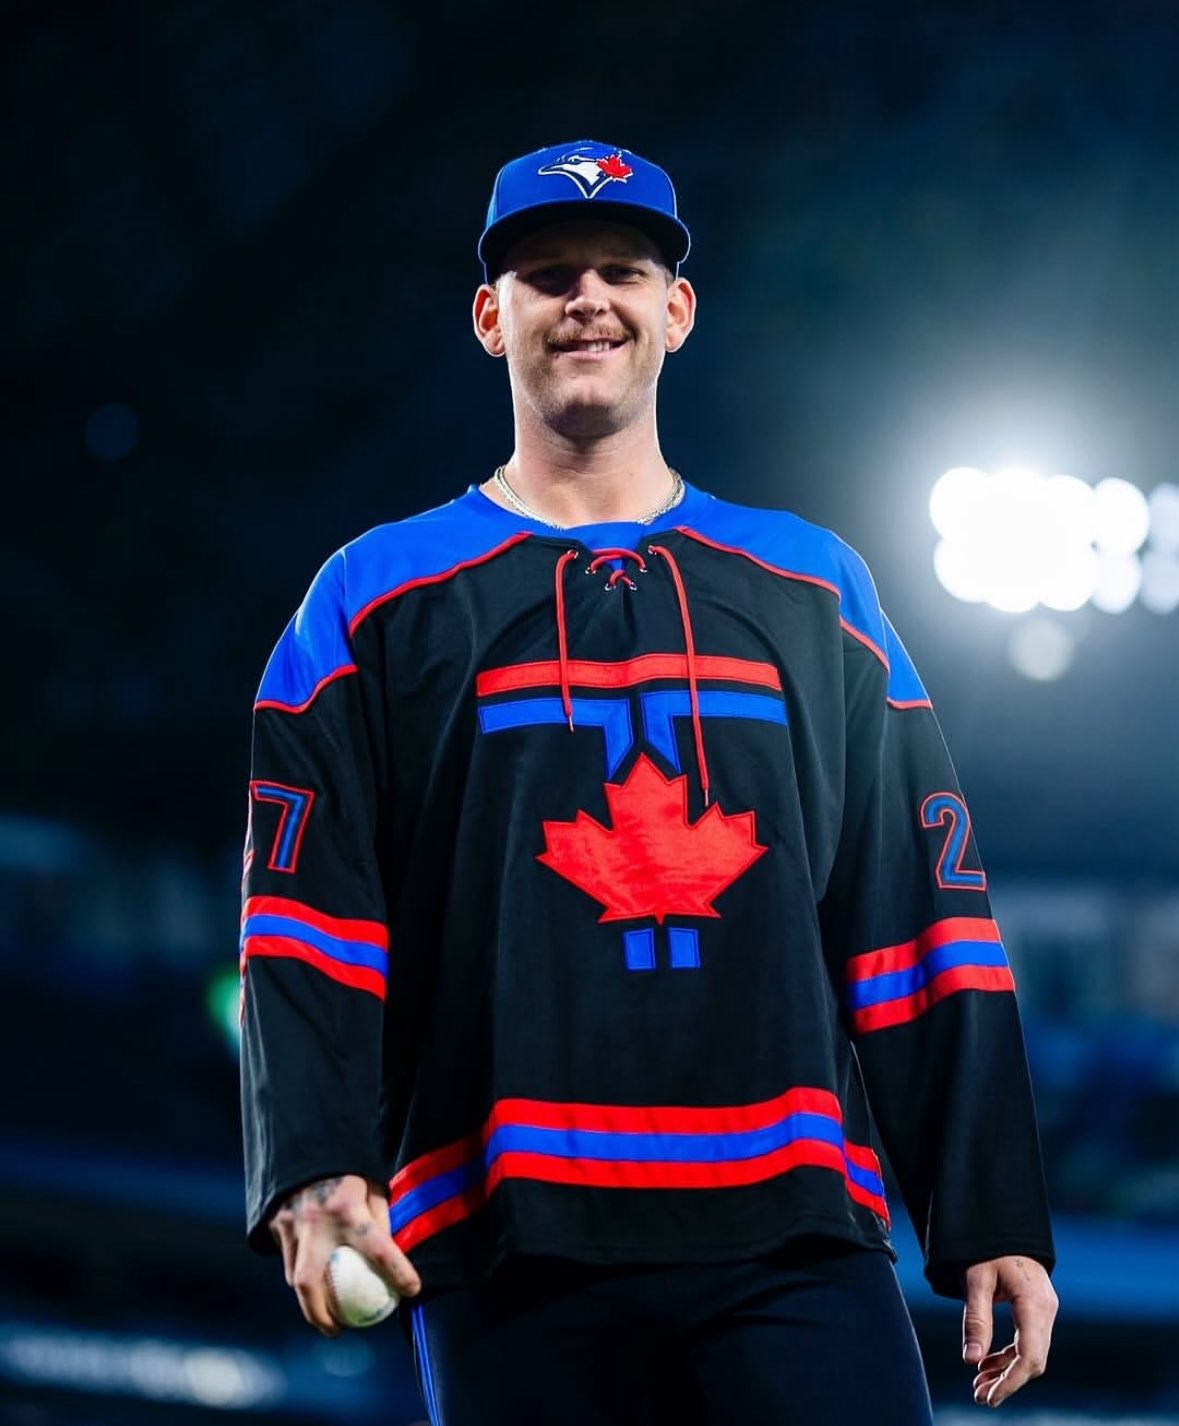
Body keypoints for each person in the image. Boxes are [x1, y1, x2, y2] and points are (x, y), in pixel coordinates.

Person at [240, 139, 1058, 1423]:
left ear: (675, 310)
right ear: (490, 316)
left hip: (796, 1231)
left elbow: (919, 909)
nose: (587, 300)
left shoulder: (815, 587)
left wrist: (991, 1208)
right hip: (504, 1236)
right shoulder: (369, 597)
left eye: (620, 271)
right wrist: (315, 1164)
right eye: (549, 274)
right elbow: (306, 918)